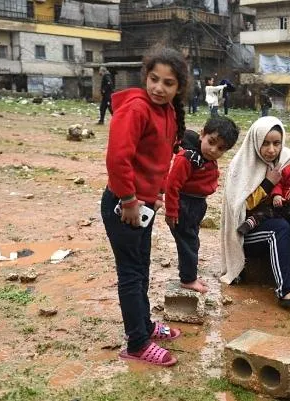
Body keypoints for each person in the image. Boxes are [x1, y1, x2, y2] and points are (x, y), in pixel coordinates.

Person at [100, 47, 188, 367]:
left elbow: (158, 157)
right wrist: (128, 200)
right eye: (154, 79)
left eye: (168, 83)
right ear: (145, 76)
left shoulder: (167, 112)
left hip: (144, 204)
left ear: (179, 88)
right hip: (124, 205)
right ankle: (137, 342)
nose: (159, 88)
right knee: (130, 272)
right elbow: (117, 159)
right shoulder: (136, 108)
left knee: (142, 268)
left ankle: (146, 326)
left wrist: (158, 191)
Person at [221, 116, 290, 308]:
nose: (271, 150)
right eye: (265, 143)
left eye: (276, 143)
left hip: (280, 217)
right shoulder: (241, 166)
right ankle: (285, 291)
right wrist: (268, 183)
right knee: (279, 229)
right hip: (247, 233)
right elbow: (241, 207)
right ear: (255, 142)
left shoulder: (289, 160)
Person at [165, 118, 240, 294]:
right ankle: (188, 279)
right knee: (188, 243)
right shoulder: (188, 158)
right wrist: (171, 211)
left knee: (192, 241)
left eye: (221, 148)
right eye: (211, 142)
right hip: (185, 205)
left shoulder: (203, 158)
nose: (213, 150)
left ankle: (189, 275)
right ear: (202, 134)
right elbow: (172, 185)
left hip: (197, 205)